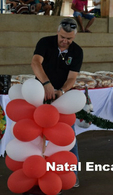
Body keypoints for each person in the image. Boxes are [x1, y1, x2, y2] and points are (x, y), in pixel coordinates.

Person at [31, 18, 83, 188]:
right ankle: (34, 172)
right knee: (35, 135)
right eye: (62, 37)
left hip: (62, 98)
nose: (65, 41)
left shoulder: (77, 51)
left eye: (69, 39)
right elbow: (35, 63)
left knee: (69, 136)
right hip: (39, 93)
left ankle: (72, 175)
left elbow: (72, 77)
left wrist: (62, 91)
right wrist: (46, 84)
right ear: (58, 31)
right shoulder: (45, 42)